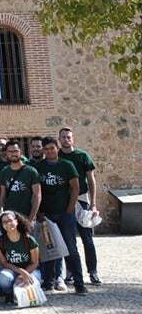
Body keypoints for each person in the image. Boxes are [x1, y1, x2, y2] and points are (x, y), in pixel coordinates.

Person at [35, 136, 87, 295]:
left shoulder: (67, 165)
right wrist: (39, 212)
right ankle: (49, 282)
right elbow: (37, 191)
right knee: (49, 248)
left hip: (64, 214)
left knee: (70, 248)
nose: (50, 151)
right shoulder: (39, 167)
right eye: (47, 149)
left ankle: (79, 283)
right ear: (43, 150)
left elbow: (75, 188)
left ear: (57, 148)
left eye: (52, 148)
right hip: (47, 215)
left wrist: (69, 209)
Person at [59, 126, 102, 284]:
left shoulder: (82, 156)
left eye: (68, 137)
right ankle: (70, 271)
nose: (66, 139)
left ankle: (93, 272)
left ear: (73, 138)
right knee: (68, 240)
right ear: (59, 139)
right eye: (63, 137)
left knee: (88, 239)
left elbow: (91, 180)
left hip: (83, 201)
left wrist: (93, 204)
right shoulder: (56, 157)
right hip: (64, 203)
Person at [0, 210, 41, 305]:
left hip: (30, 270)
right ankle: (9, 293)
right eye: (4, 222)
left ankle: (24, 295)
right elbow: (4, 263)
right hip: (12, 270)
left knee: (36, 278)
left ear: (16, 221)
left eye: (10, 220)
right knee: (2, 278)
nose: (8, 224)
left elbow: (35, 263)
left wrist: (23, 274)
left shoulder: (29, 240)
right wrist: (20, 272)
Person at [0, 140, 42, 222]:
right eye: (10, 151)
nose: (13, 154)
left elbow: (37, 196)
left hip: (26, 216)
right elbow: (2, 197)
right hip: (10, 218)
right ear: (6, 154)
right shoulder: (4, 172)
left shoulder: (31, 171)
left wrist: (31, 219)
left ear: (20, 152)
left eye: (15, 151)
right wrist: (2, 214)